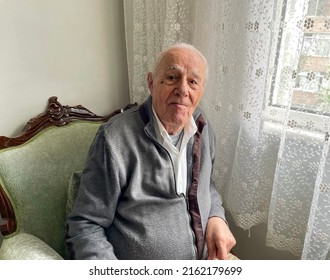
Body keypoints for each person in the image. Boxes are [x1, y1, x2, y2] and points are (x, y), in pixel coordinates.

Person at [66, 43, 236, 260]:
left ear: (201, 90)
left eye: (193, 81)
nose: (183, 90)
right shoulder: (114, 139)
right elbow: (85, 227)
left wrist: (216, 217)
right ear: (151, 83)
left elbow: (207, 184)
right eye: (172, 77)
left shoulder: (202, 126)